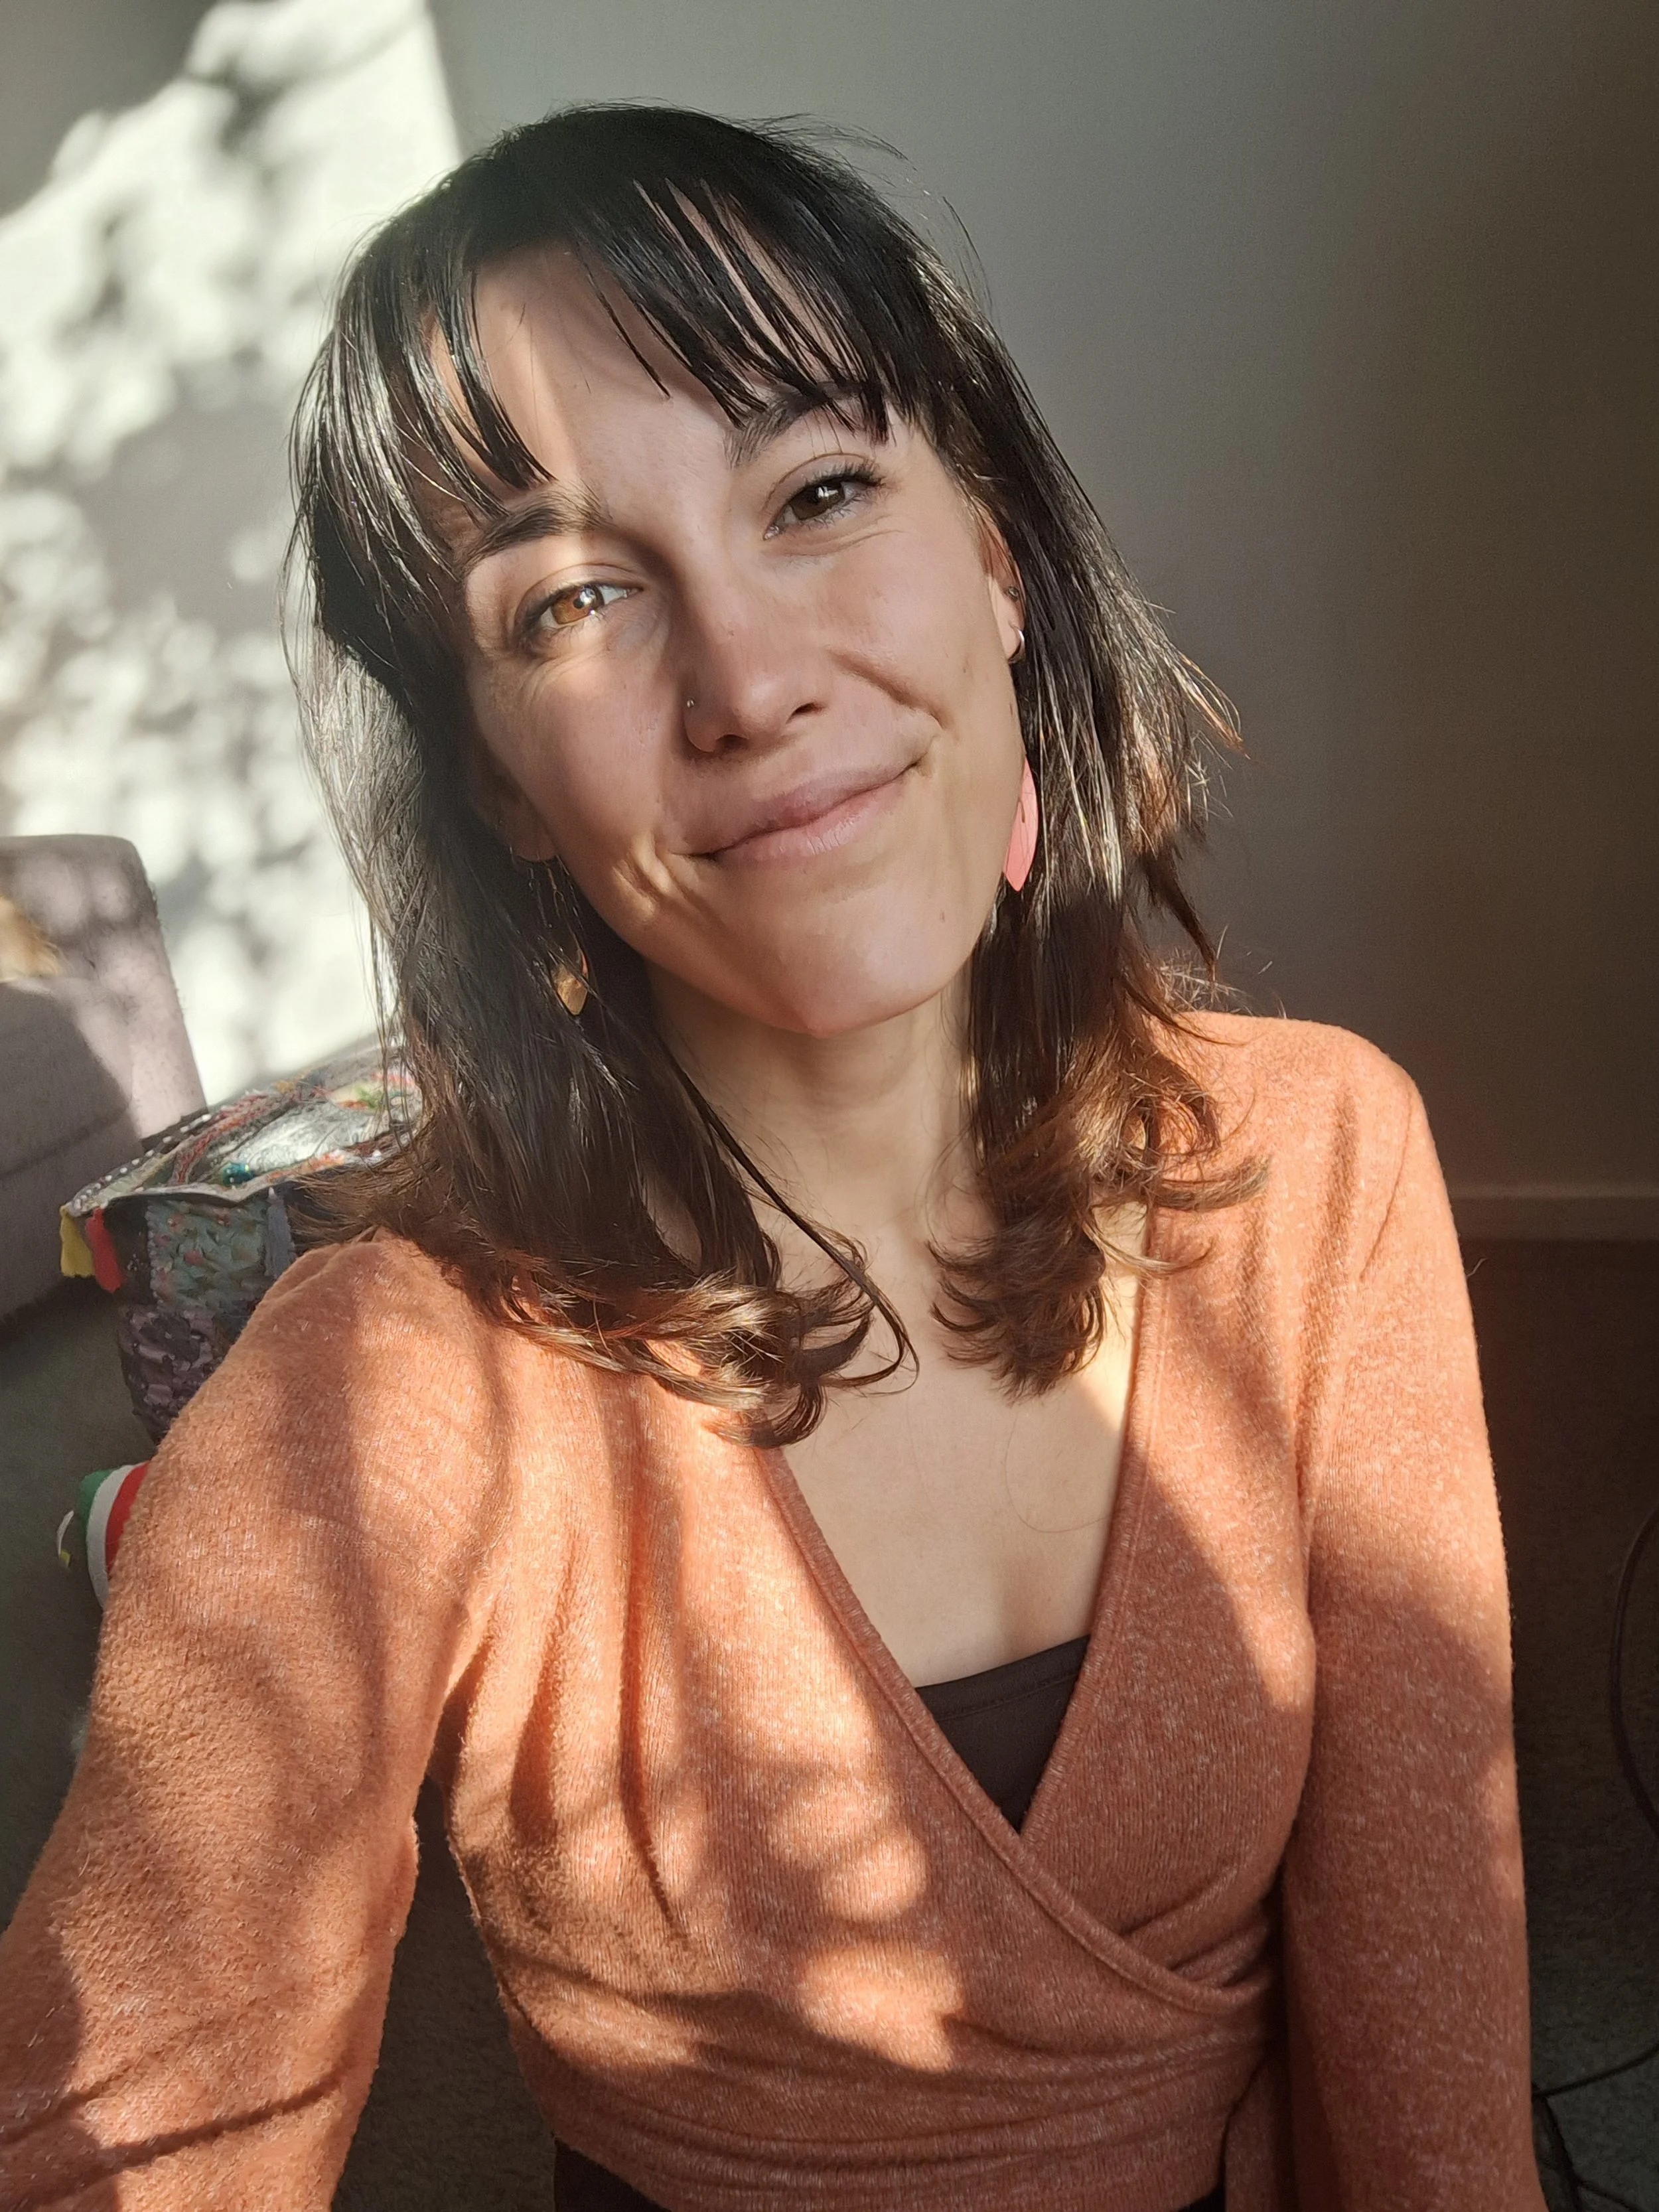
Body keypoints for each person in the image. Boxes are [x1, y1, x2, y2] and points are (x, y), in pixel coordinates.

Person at [0, 106, 1544, 2211]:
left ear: (995, 560)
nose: (744, 680)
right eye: (572, 601)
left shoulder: (1318, 1154)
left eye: (818, 491)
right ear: (500, 783)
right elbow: (128, 2125)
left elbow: (1424, 1981)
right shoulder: (378, 1391)